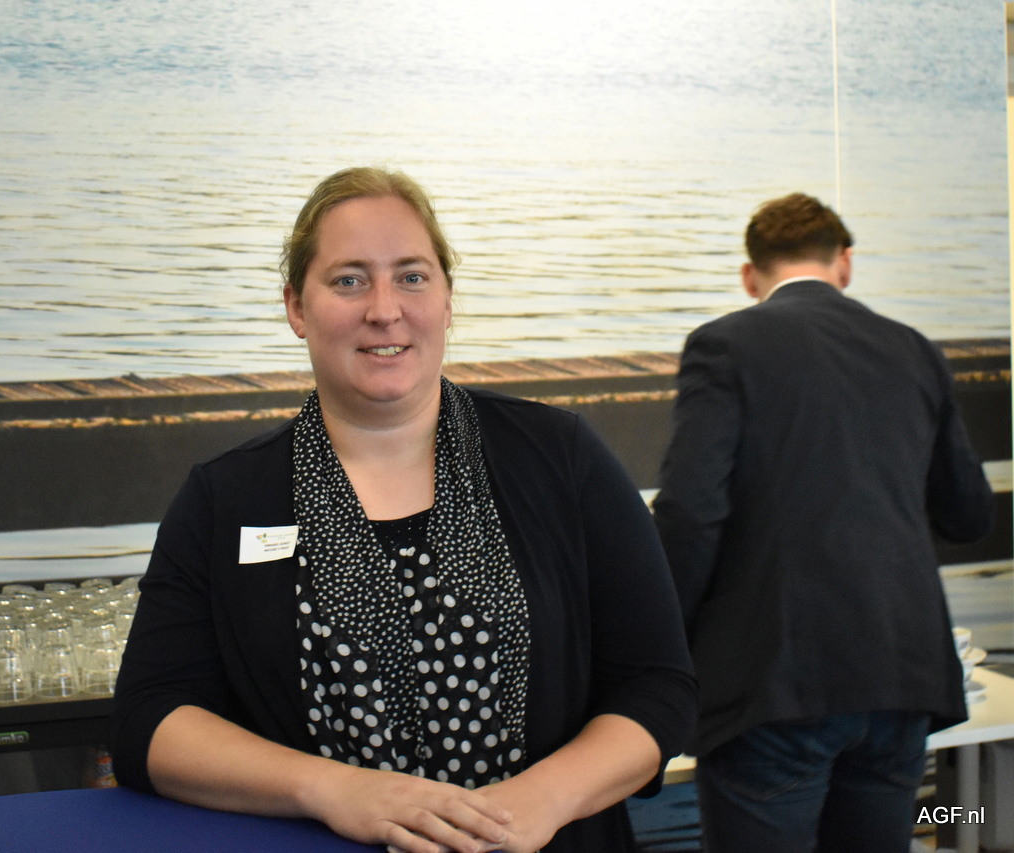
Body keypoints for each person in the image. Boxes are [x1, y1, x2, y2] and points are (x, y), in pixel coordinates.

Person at [112, 167, 697, 852]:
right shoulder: (225, 499)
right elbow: (150, 720)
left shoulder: (559, 456)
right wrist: (331, 788)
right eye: (349, 280)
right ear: (296, 307)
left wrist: (538, 801)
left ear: (446, 299)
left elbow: (658, 687)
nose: (384, 309)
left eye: (412, 276)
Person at [651, 192, 995, 852]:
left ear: (749, 275)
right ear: (846, 263)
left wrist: (661, 642)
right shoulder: (913, 349)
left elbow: (692, 512)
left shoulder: (725, 345)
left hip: (777, 681)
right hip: (904, 677)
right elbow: (969, 514)